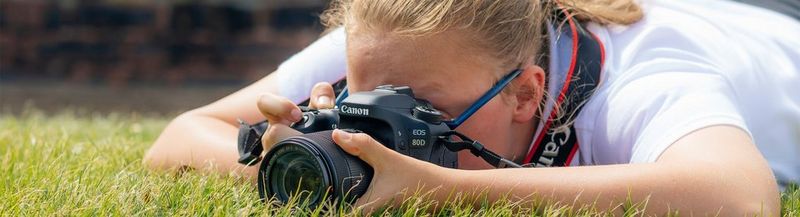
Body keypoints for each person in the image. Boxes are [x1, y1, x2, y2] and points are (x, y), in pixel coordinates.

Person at [144, 0, 800, 215]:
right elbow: (179, 136)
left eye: (419, 106)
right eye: (367, 95)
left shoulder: (640, 78)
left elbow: (739, 197)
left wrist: (441, 186)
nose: (383, 117)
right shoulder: (390, 43)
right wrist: (290, 157)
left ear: (525, 92)